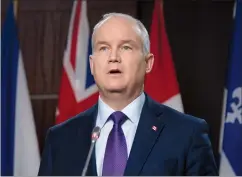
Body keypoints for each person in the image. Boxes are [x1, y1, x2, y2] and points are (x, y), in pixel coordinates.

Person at [38, 13, 218, 176]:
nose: (113, 57)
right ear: (92, 65)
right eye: (103, 48)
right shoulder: (60, 139)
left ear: (148, 63)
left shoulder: (187, 134)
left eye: (125, 47)